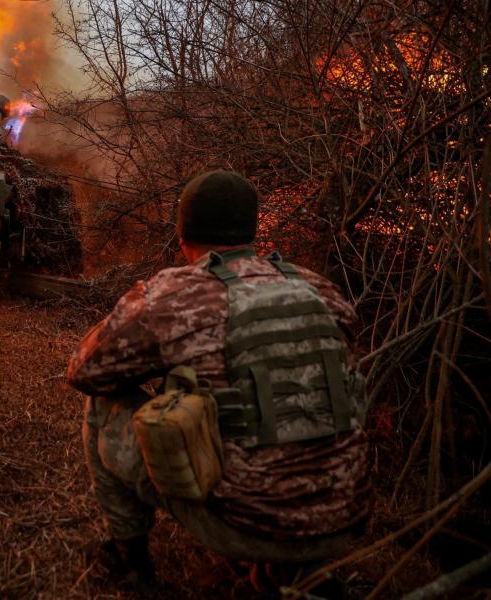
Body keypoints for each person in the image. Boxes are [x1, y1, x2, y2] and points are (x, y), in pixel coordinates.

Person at [67, 170, 371, 592]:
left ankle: (128, 562)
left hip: (244, 524)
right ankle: (302, 570)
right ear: (253, 231)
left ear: (183, 236)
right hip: (345, 520)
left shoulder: (177, 293)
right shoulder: (322, 290)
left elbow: (85, 371)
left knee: (104, 406)